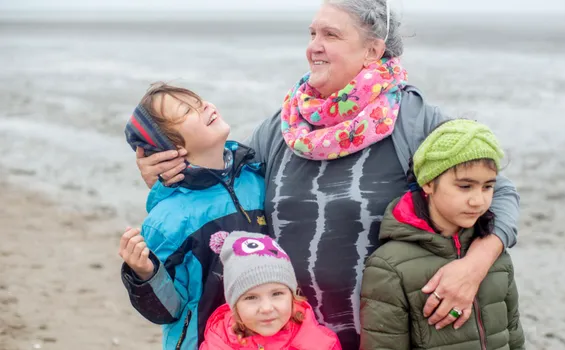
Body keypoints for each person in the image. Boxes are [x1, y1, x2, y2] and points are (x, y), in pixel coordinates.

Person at [133, 1, 520, 348]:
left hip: (387, 335)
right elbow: (224, 183)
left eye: (330, 35)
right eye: (312, 33)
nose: (313, 46)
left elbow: (498, 192)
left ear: (373, 50)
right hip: (291, 336)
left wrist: (473, 266)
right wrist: (170, 173)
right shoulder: (283, 127)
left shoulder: (413, 121)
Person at [118, 83, 269, 350]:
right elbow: (168, 310)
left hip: (267, 336)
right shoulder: (168, 219)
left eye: (200, 102)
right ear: (171, 146)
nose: (207, 107)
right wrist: (145, 273)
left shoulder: (257, 179)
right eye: (188, 110)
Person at [359, 119, 525, 349]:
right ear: (427, 183)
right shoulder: (389, 267)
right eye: (465, 186)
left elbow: (513, 332)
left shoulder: (495, 254)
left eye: (487, 187)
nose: (478, 201)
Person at [199, 231, 341, 349]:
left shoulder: (322, 344)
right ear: (234, 305)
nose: (266, 308)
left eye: (277, 293)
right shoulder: (216, 343)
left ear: (293, 296)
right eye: (251, 297)